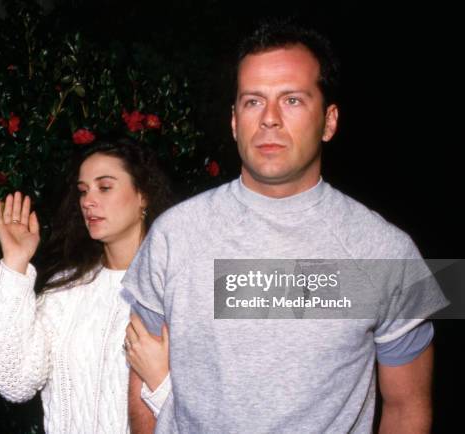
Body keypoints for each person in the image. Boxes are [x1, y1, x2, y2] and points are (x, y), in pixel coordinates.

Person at [123, 20, 449, 433]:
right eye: (253, 101)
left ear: (329, 122)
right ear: (234, 121)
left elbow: (407, 409)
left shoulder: (387, 253)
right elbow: (141, 392)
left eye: (292, 100)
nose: (270, 119)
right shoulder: (173, 236)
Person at [0, 139, 173, 433]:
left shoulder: (179, 287)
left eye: (104, 187)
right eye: (83, 191)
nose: (88, 201)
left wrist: (160, 382)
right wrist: (15, 266)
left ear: (143, 195)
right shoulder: (64, 290)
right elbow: (13, 381)